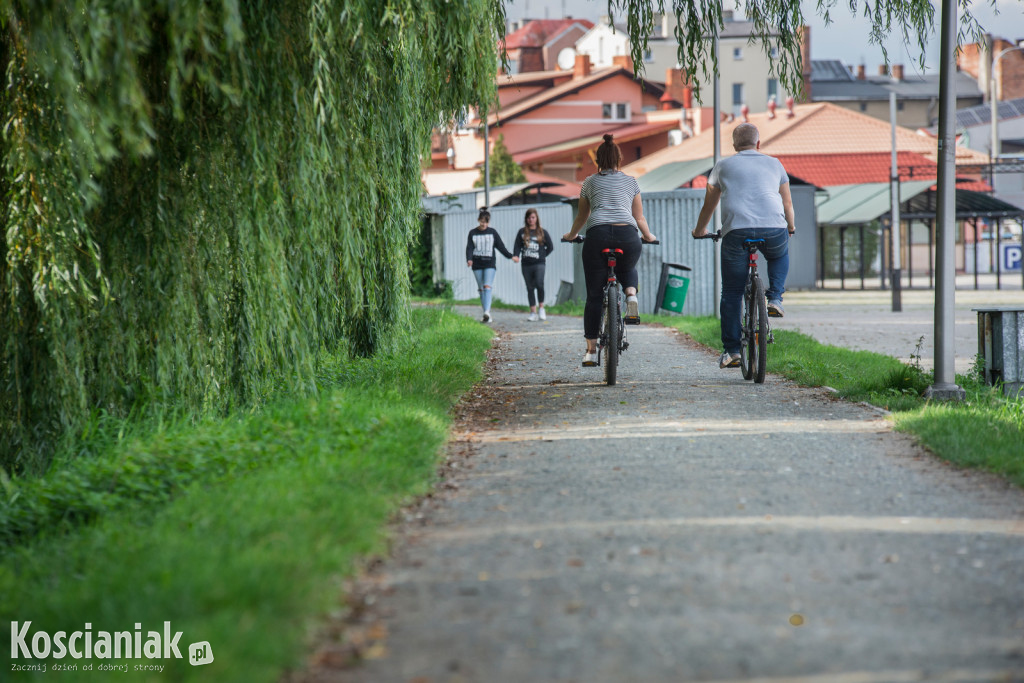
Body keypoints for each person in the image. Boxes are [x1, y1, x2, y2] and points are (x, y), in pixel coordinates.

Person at [692, 122, 796, 369]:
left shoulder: (722, 166)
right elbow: (787, 204)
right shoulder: (775, 164)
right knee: (778, 255)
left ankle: (732, 351)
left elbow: (709, 205)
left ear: (734, 145)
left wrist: (699, 231)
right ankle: (775, 298)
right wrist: (790, 227)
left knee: (731, 292)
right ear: (758, 143)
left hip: (736, 231)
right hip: (774, 228)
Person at [563, 134, 657, 367]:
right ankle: (631, 295)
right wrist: (648, 236)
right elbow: (639, 217)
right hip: (627, 235)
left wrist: (571, 235)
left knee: (594, 295)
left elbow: (582, 216)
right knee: (628, 266)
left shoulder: (589, 182)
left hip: (598, 234)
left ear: (598, 160)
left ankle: (591, 351)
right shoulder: (631, 182)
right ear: (619, 159)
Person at [466, 207, 517, 322]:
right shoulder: (472, 233)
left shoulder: (492, 232)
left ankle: (487, 312)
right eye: (482, 221)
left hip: (489, 263)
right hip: (477, 264)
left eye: (486, 222)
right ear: (478, 220)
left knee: (487, 286)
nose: (484, 224)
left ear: (489, 222)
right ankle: (486, 313)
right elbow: (469, 248)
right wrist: (469, 259)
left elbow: (501, 246)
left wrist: (511, 256)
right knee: (481, 289)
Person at [513, 208, 554, 322]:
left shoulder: (542, 232)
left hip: (539, 263)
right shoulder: (522, 232)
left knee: (539, 284)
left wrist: (542, 255)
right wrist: (516, 255)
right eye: (529, 218)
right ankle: (532, 312)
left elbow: (550, 247)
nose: (531, 220)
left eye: (533, 217)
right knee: (530, 287)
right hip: (526, 264)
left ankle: (541, 308)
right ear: (526, 219)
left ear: (536, 219)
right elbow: (517, 246)